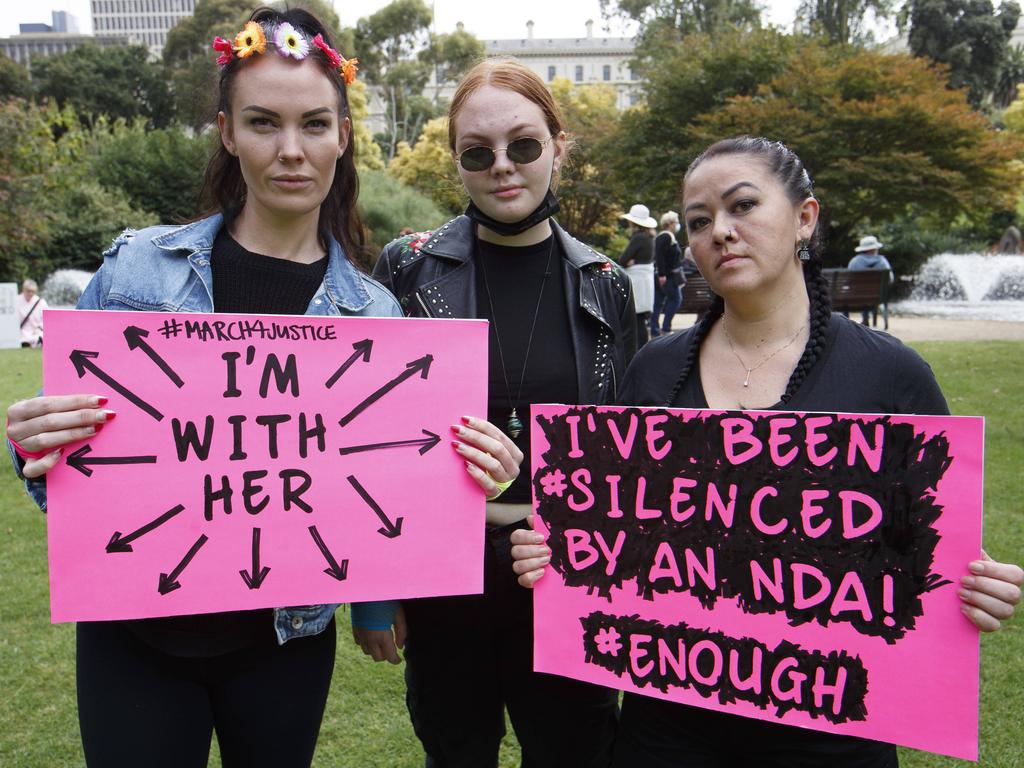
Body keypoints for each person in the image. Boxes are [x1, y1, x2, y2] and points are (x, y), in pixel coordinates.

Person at [2, 9, 509, 767]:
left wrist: (457, 489)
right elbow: (62, 465)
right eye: (264, 123)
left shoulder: (373, 314)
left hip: (281, 642)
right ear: (227, 132)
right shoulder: (138, 269)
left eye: (313, 125)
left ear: (343, 134)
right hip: (134, 634)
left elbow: (375, 476)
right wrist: (34, 445)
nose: (291, 151)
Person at [510, 136, 1023, 768]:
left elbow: (929, 544)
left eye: (743, 206)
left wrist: (975, 587)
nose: (721, 232)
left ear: (805, 217)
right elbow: (620, 528)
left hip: (833, 733)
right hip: (668, 726)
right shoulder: (652, 372)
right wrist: (558, 549)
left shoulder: (893, 376)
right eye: (699, 222)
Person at [355, 58, 635, 768]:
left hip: (566, 565)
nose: (502, 168)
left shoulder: (605, 284)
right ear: (457, 161)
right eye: (478, 153)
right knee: (455, 750)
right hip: (444, 570)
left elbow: (633, 445)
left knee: (577, 751)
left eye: (524, 146)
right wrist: (374, 589)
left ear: (558, 146)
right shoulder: (409, 268)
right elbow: (366, 436)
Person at [618, 203, 656, 347]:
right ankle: (643, 348)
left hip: (637, 281)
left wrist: (629, 261)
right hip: (646, 281)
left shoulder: (638, 238)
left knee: (636, 318)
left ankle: (637, 350)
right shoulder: (649, 237)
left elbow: (622, 260)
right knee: (641, 320)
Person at [650, 211, 683, 337]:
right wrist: (662, 274)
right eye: (676, 222)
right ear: (670, 223)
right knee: (676, 299)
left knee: (658, 302)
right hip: (666, 277)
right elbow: (660, 256)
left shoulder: (664, 236)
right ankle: (666, 327)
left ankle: (655, 330)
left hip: (663, 276)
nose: (678, 224)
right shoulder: (666, 237)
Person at [847, 235, 894, 325]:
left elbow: (849, 281)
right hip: (877, 296)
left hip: (856, 296)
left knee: (861, 292)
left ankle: (865, 319)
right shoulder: (882, 261)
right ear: (875, 249)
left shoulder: (855, 261)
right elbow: (890, 279)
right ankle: (869, 320)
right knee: (869, 295)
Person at [16, 278, 47, 347]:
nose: (30, 293)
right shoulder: (16, 300)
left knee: (40, 337)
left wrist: (39, 327)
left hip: (36, 330)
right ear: (23, 290)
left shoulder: (41, 302)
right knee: (23, 338)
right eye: (28, 291)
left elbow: (46, 318)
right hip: (21, 331)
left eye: (32, 291)